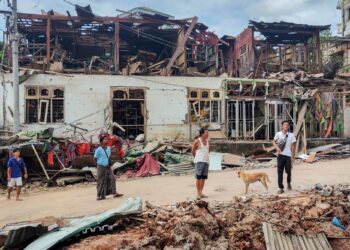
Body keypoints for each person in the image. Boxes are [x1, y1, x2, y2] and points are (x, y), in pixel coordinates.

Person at [273, 120, 296, 194]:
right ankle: (281, 188)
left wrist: (292, 156)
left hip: (288, 156)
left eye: (287, 125)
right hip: (280, 156)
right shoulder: (278, 134)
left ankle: (288, 182)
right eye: (285, 124)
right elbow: (273, 142)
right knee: (279, 172)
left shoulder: (291, 135)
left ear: (288, 126)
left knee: (288, 171)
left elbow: (293, 146)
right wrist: (277, 148)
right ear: (282, 126)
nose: (286, 126)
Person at [192, 127, 210, 200]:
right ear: (202, 133)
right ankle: (198, 193)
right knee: (198, 178)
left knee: (203, 178)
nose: (208, 133)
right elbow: (193, 151)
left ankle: (201, 193)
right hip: (199, 162)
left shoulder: (208, 141)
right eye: (206, 132)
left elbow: (208, 151)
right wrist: (197, 158)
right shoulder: (197, 141)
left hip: (206, 161)